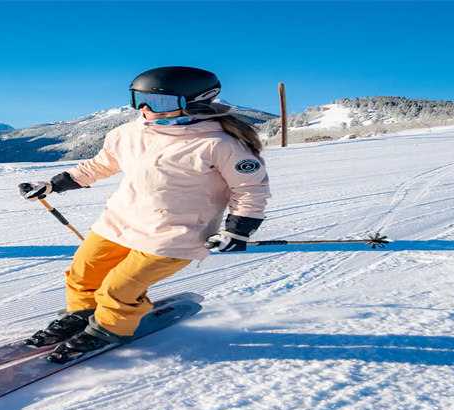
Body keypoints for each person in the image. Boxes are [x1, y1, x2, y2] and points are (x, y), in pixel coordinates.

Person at [18, 66, 271, 363]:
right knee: (83, 273)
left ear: (196, 101)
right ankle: (81, 314)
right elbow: (98, 166)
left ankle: (108, 330)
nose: (146, 109)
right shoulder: (128, 133)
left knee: (119, 287)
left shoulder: (221, 143)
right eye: (139, 100)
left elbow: (251, 189)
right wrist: (51, 185)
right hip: (120, 220)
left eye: (160, 102)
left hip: (176, 232)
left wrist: (238, 229)